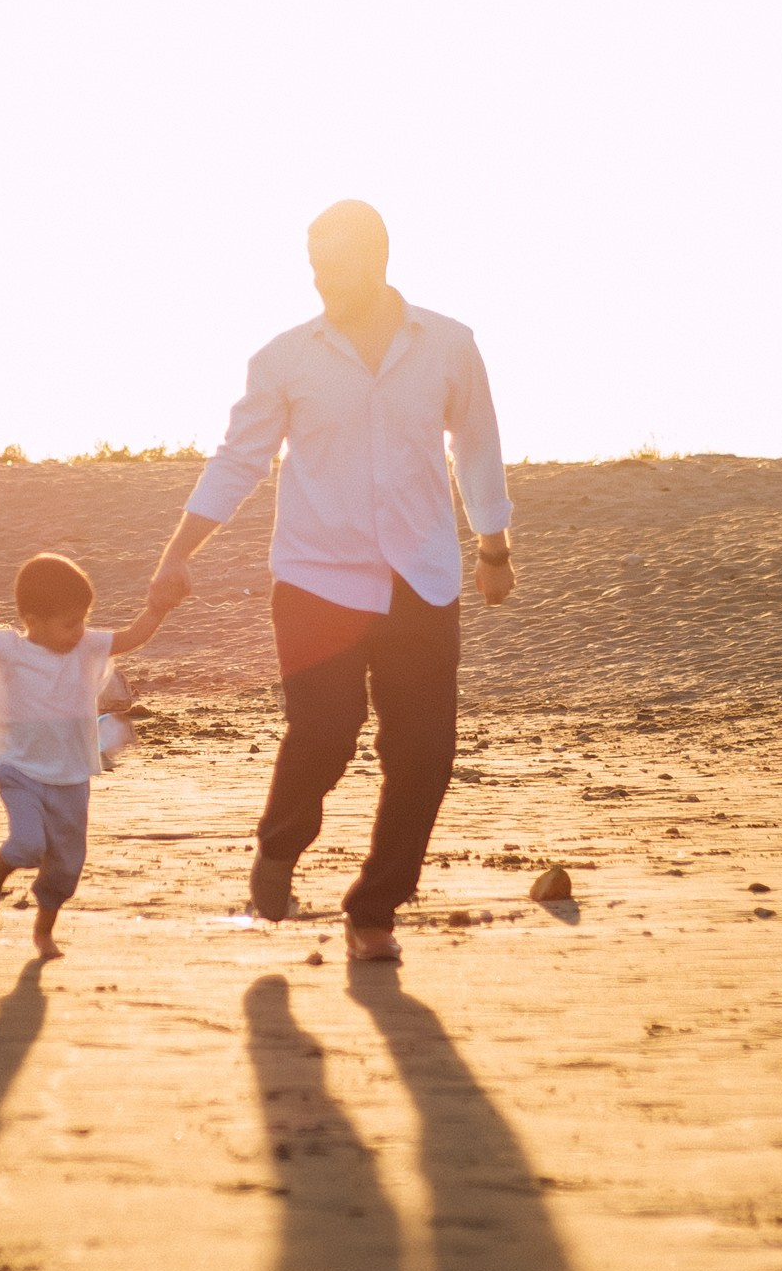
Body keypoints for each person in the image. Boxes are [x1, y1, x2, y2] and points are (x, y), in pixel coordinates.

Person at [144, 200, 515, 965]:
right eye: (313, 266)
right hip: (316, 578)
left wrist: (494, 547)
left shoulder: (449, 345)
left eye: (334, 266)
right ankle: (280, 844)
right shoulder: (285, 358)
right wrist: (180, 549)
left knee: (424, 752)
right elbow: (240, 458)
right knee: (326, 729)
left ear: (378, 257)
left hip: (420, 576)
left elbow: (477, 445)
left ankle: (374, 905)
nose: (320, 282)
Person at [0, 552, 177, 958]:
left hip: (72, 776)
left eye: (83, 619)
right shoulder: (7, 648)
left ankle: (44, 932)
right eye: (70, 622)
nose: (79, 630)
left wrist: (158, 608)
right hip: (19, 768)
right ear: (32, 619)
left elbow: (133, 636)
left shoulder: (84, 647)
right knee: (28, 843)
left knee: (66, 865)